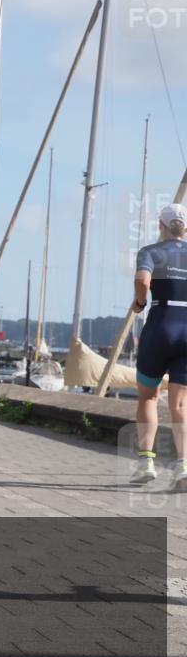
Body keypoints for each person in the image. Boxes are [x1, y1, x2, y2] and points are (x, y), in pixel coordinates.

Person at [130, 203, 187, 491]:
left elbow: (142, 281)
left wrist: (140, 303)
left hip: (160, 325)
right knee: (180, 405)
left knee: (148, 397)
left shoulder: (150, 251)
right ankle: (183, 466)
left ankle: (146, 463)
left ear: (160, 226)